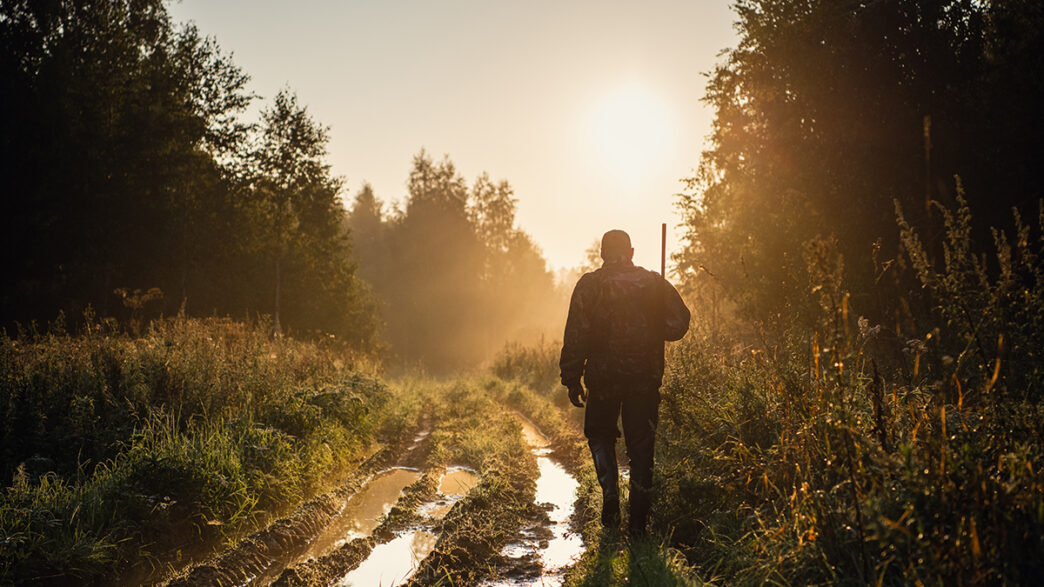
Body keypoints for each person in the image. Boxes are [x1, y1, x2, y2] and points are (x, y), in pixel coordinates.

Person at [559, 229, 690, 536]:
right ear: (631, 252)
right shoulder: (654, 283)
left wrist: (571, 376)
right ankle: (638, 525)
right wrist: (653, 323)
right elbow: (679, 323)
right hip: (644, 379)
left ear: (602, 253)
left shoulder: (590, 285)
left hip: (603, 379)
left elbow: (576, 332)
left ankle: (610, 495)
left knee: (600, 436)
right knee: (642, 447)